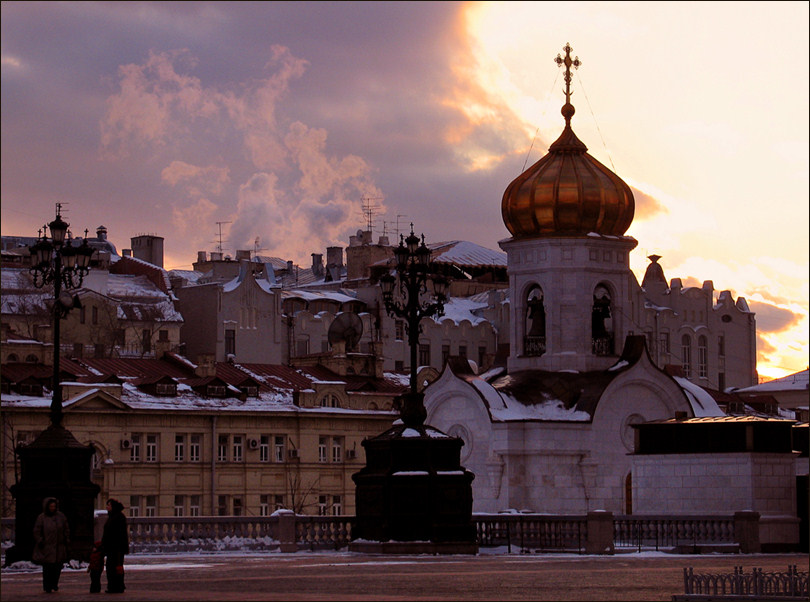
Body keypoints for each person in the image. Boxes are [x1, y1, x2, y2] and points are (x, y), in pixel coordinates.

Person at [32, 496, 70, 593]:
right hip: (47, 546)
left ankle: (54, 584)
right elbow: (37, 531)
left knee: (57, 567)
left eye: (54, 506)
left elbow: (66, 528)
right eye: (51, 506)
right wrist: (40, 540)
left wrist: (66, 539)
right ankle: (47, 586)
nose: (52, 508)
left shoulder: (61, 516)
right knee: (48, 568)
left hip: (59, 546)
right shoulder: (42, 517)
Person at [101, 498, 129, 594]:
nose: (107, 507)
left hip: (116, 548)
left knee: (116, 567)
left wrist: (119, 547)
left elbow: (120, 534)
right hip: (111, 547)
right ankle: (113, 586)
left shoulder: (119, 517)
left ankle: (117, 586)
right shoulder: (112, 516)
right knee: (111, 568)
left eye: (108, 505)